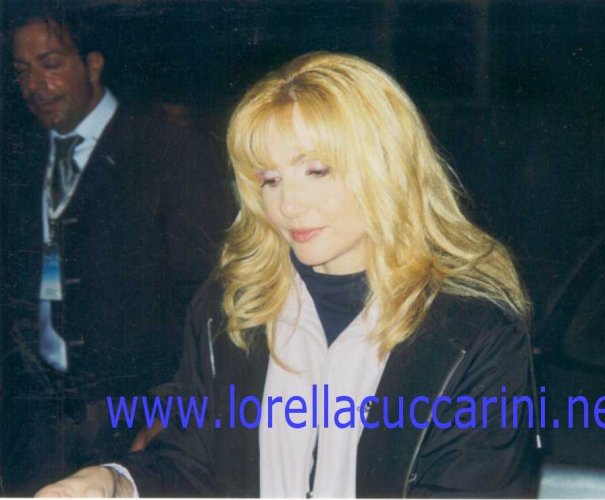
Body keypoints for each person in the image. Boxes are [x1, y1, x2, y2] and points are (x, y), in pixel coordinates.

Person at [36, 51, 536, 497]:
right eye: (270, 179)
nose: (288, 204)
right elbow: (193, 466)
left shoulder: (473, 330)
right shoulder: (230, 308)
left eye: (317, 171)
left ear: (386, 166)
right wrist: (116, 482)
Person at [2, 4, 234, 493]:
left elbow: (210, 293)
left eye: (50, 64)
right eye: (22, 71)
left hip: (134, 423)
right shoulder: (19, 155)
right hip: (33, 429)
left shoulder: (169, 150)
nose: (34, 85)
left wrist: (173, 408)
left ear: (93, 64)